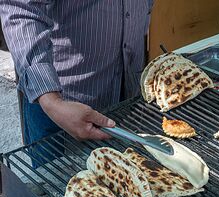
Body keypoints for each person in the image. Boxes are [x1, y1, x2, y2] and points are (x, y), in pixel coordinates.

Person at [0, 1, 153, 165]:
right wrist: (51, 101)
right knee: (59, 187)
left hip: (129, 89)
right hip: (61, 105)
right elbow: (22, 10)